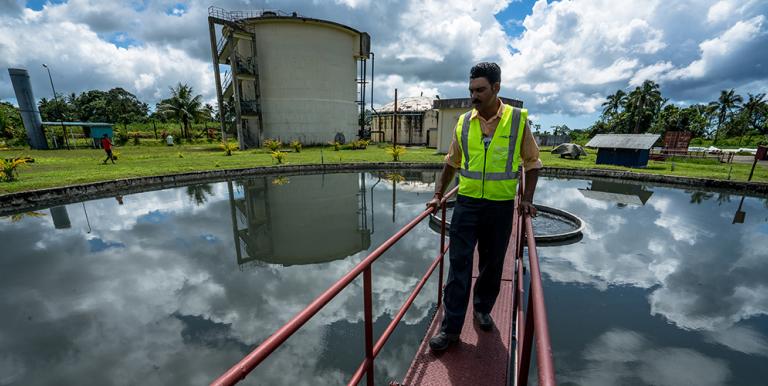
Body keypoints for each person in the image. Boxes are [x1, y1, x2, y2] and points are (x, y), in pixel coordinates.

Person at [425, 62, 542, 352]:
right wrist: (439, 193)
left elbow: (533, 163)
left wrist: (526, 198)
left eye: (480, 90)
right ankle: (451, 329)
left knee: (492, 264)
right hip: (466, 204)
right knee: (459, 265)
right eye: (471, 90)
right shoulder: (464, 121)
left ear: (496, 88)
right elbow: (451, 161)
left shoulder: (516, 120)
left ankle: (481, 308)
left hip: (500, 207)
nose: (473, 96)